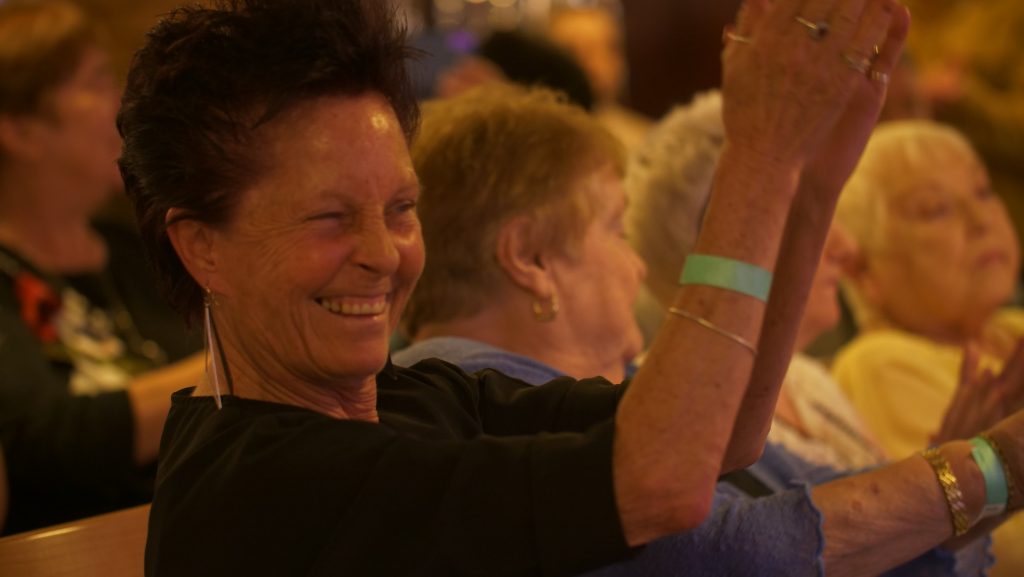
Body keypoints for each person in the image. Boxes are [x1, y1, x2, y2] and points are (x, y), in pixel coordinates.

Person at [116, 0, 1021, 575]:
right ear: (202, 249)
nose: (383, 253)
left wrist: (808, 182)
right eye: (329, 218)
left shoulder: (414, 396)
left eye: (400, 208)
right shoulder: (262, 480)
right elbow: (666, 490)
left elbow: (713, 439)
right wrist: (760, 153)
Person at [0, 0, 203, 534]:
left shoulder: (141, 248)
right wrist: (240, 365)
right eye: (94, 82)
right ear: (19, 129)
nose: (121, 104)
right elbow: (39, 442)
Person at [833, 119, 1024, 576]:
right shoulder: (881, 363)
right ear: (863, 270)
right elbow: (993, 549)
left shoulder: (1012, 328)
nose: (981, 221)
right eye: (935, 210)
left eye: (983, 192)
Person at [546, 4, 652, 151]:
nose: (593, 66)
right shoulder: (540, 144)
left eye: (607, 49)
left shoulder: (646, 141)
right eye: (573, 52)